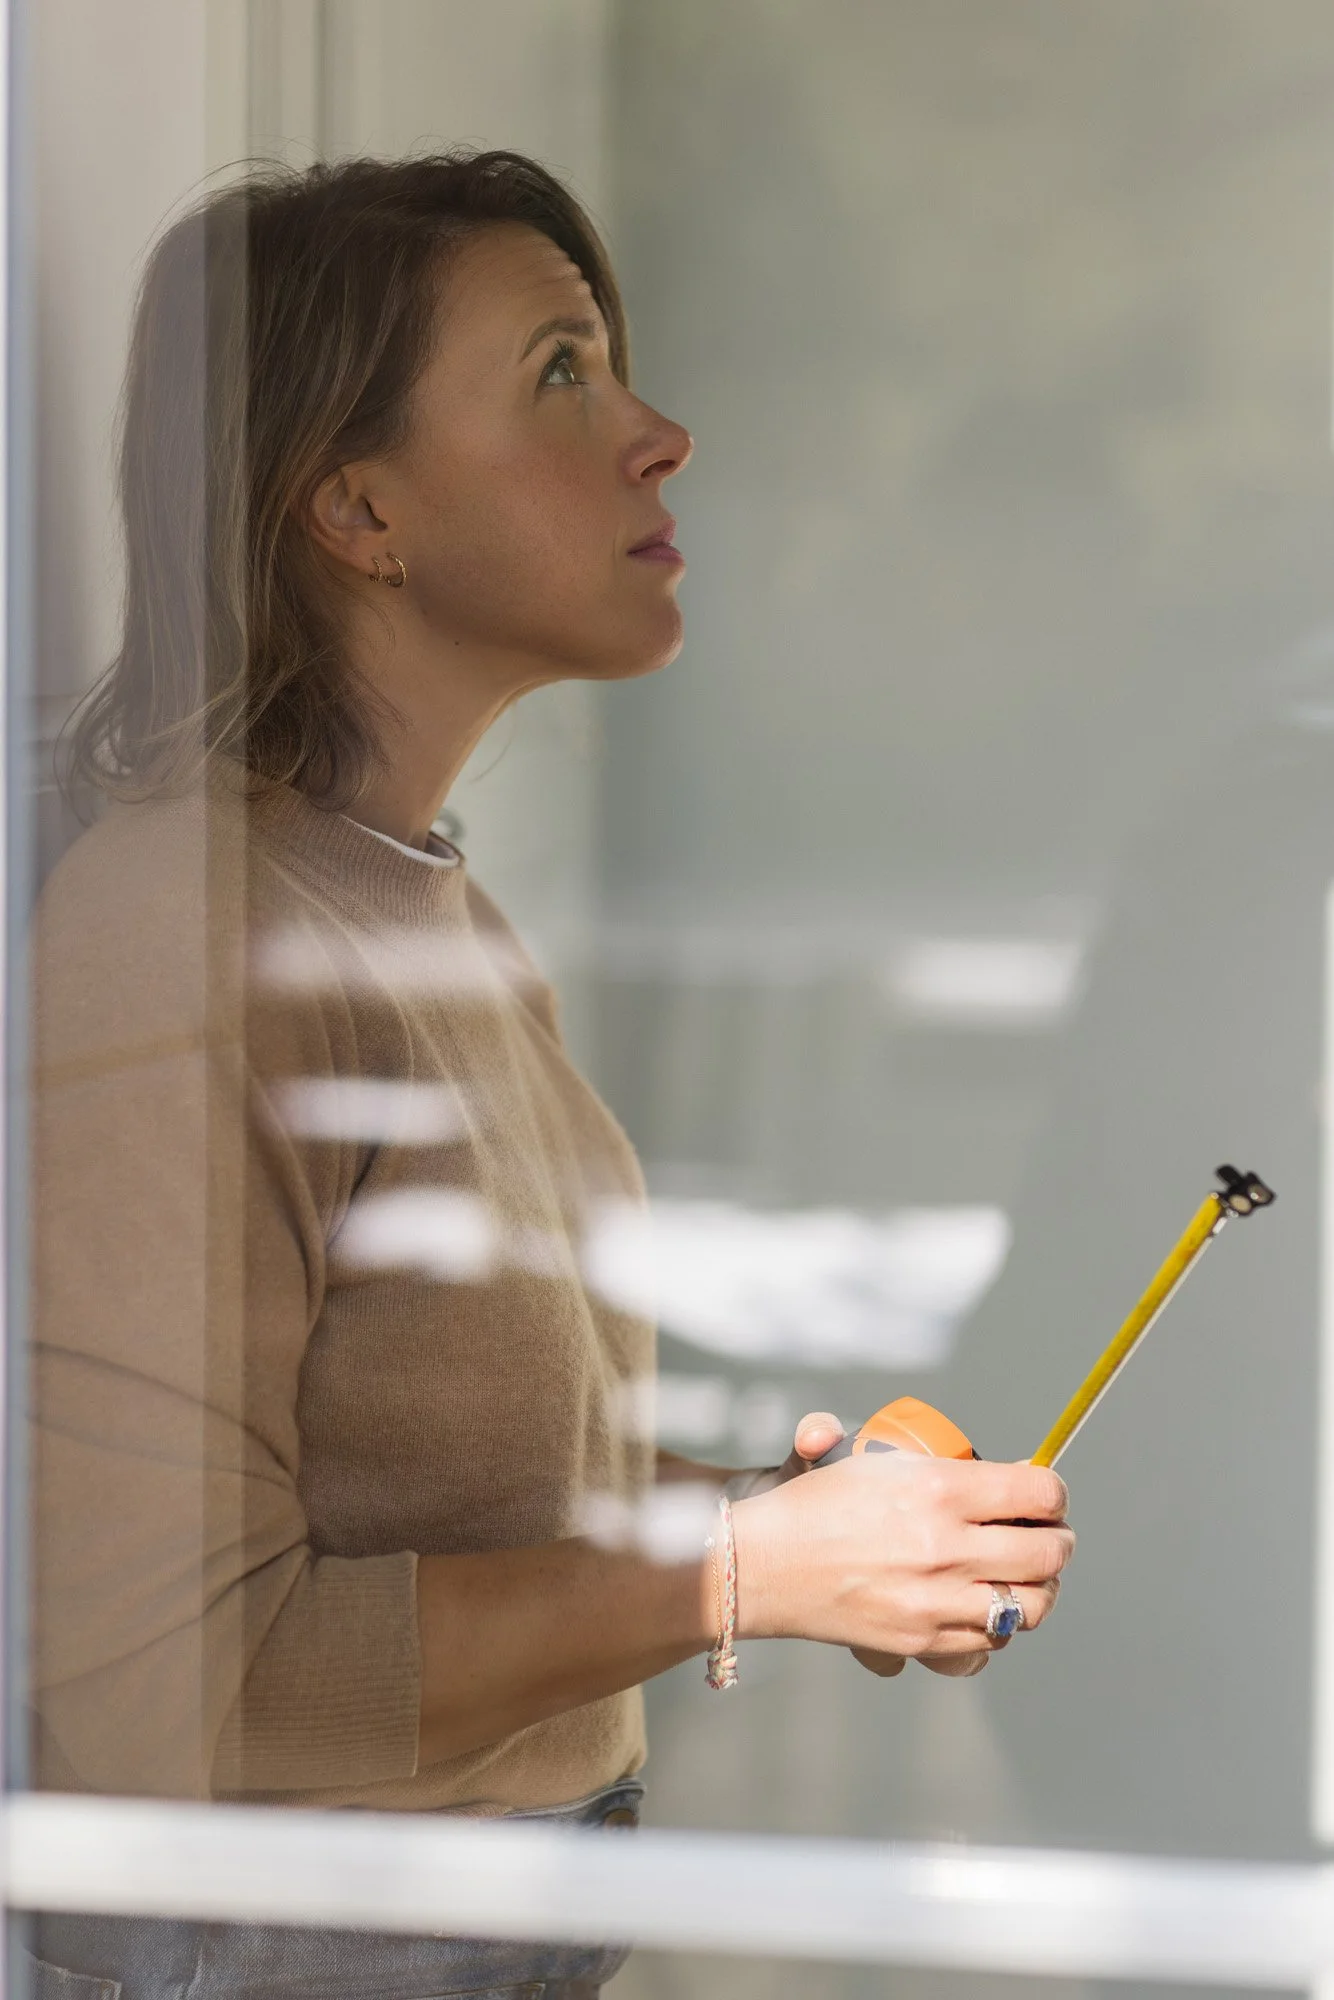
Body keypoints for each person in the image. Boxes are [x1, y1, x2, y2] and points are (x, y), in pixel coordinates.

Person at [27, 151, 1073, 2000]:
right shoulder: (180, 928)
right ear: (354, 505)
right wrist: (741, 1575)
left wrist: (798, 1529)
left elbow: (454, 1480)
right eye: (560, 372)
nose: (659, 434)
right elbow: (159, 1694)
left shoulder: (408, 901)